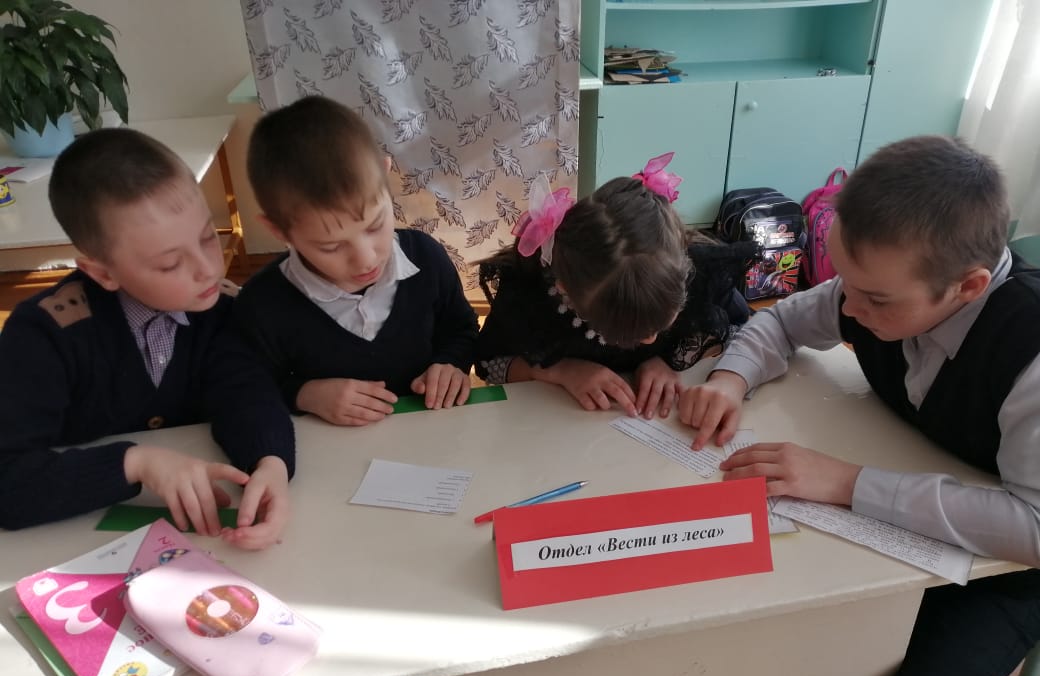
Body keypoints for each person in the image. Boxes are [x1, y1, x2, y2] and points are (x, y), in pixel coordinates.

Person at [677, 135, 1040, 676]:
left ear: (968, 287)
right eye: (845, 280)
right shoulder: (879, 288)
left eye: (875, 299)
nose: (848, 307)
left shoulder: (1028, 351)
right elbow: (781, 321)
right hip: (918, 511)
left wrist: (847, 483)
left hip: (1009, 570)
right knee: (761, 625)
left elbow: (1034, 528)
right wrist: (730, 378)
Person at [0, 128, 296, 551]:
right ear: (103, 273)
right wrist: (135, 462)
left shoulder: (219, 309)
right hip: (68, 545)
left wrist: (271, 461)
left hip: (194, 547)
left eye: (207, 238)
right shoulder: (44, 336)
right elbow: (9, 482)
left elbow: (245, 391)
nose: (208, 270)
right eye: (171, 263)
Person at [235, 96, 478, 426]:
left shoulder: (426, 257)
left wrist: (451, 363)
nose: (366, 259)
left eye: (375, 226)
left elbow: (461, 329)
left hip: (431, 433)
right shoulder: (262, 304)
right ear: (279, 231)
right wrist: (302, 394)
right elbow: (244, 385)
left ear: (385, 173)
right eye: (331, 246)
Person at [475, 153, 751, 419]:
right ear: (566, 291)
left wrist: (669, 360)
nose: (650, 341)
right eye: (628, 332)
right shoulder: (530, 292)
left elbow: (743, 331)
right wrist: (559, 371)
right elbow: (488, 364)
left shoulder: (699, 273)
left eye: (662, 325)